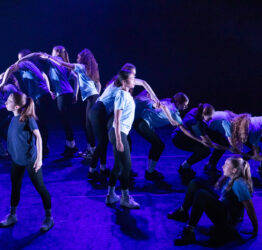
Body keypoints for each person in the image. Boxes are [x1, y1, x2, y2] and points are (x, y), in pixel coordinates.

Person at [88, 63, 160, 180]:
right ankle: (92, 170)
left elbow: (144, 83)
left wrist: (156, 99)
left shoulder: (121, 83)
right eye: (132, 75)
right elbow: (142, 84)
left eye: (134, 75)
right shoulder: (119, 83)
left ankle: (103, 168)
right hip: (97, 111)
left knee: (104, 141)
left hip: (102, 112)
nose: (134, 78)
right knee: (102, 142)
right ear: (126, 73)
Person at [171, 157, 257, 246]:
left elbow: (249, 207)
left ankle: (189, 231)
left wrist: (255, 229)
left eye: (226, 165)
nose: (223, 166)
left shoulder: (239, 184)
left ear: (234, 170)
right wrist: (223, 177)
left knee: (201, 194)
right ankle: (182, 212)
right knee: (195, 183)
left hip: (228, 219)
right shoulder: (231, 177)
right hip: (224, 208)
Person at [0, 92, 54, 232]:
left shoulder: (28, 119)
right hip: (17, 160)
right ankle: (12, 215)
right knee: (15, 187)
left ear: (17, 106)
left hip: (31, 160)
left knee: (40, 187)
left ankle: (49, 218)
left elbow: (39, 138)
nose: (5, 102)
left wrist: (39, 159)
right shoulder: (12, 118)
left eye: (9, 101)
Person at [40, 49, 101, 158]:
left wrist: (48, 57)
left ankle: (92, 151)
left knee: (88, 126)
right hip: (93, 97)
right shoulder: (90, 69)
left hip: (91, 98)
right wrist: (97, 95)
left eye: (78, 57)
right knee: (85, 124)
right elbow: (98, 83)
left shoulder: (80, 66)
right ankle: (90, 148)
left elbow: (63, 63)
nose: (77, 59)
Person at [0, 57, 52, 156]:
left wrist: (2, 83)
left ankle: (42, 149)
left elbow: (10, 69)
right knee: (40, 123)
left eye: (19, 58)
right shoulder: (28, 69)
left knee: (40, 124)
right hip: (39, 97)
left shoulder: (25, 63)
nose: (18, 61)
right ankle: (43, 148)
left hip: (40, 96)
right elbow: (43, 76)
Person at [133, 91, 189, 180]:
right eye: (185, 104)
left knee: (157, 145)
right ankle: (150, 172)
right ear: (178, 103)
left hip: (141, 121)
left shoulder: (167, 101)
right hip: (142, 123)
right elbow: (184, 129)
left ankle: (150, 171)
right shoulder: (174, 112)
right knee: (159, 145)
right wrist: (199, 139)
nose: (186, 107)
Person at [105, 68, 140, 208]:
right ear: (125, 81)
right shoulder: (121, 94)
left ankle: (110, 195)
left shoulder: (126, 94)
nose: (134, 81)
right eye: (132, 79)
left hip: (120, 132)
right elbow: (117, 119)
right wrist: (119, 140)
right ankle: (125, 198)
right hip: (118, 132)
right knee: (127, 166)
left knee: (118, 165)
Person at [172, 103, 225, 181]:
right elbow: (210, 144)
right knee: (205, 151)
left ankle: (210, 165)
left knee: (220, 139)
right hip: (180, 138)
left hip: (191, 133)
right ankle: (184, 167)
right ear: (203, 114)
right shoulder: (196, 124)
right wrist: (228, 148)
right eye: (210, 117)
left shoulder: (197, 110)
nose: (211, 118)